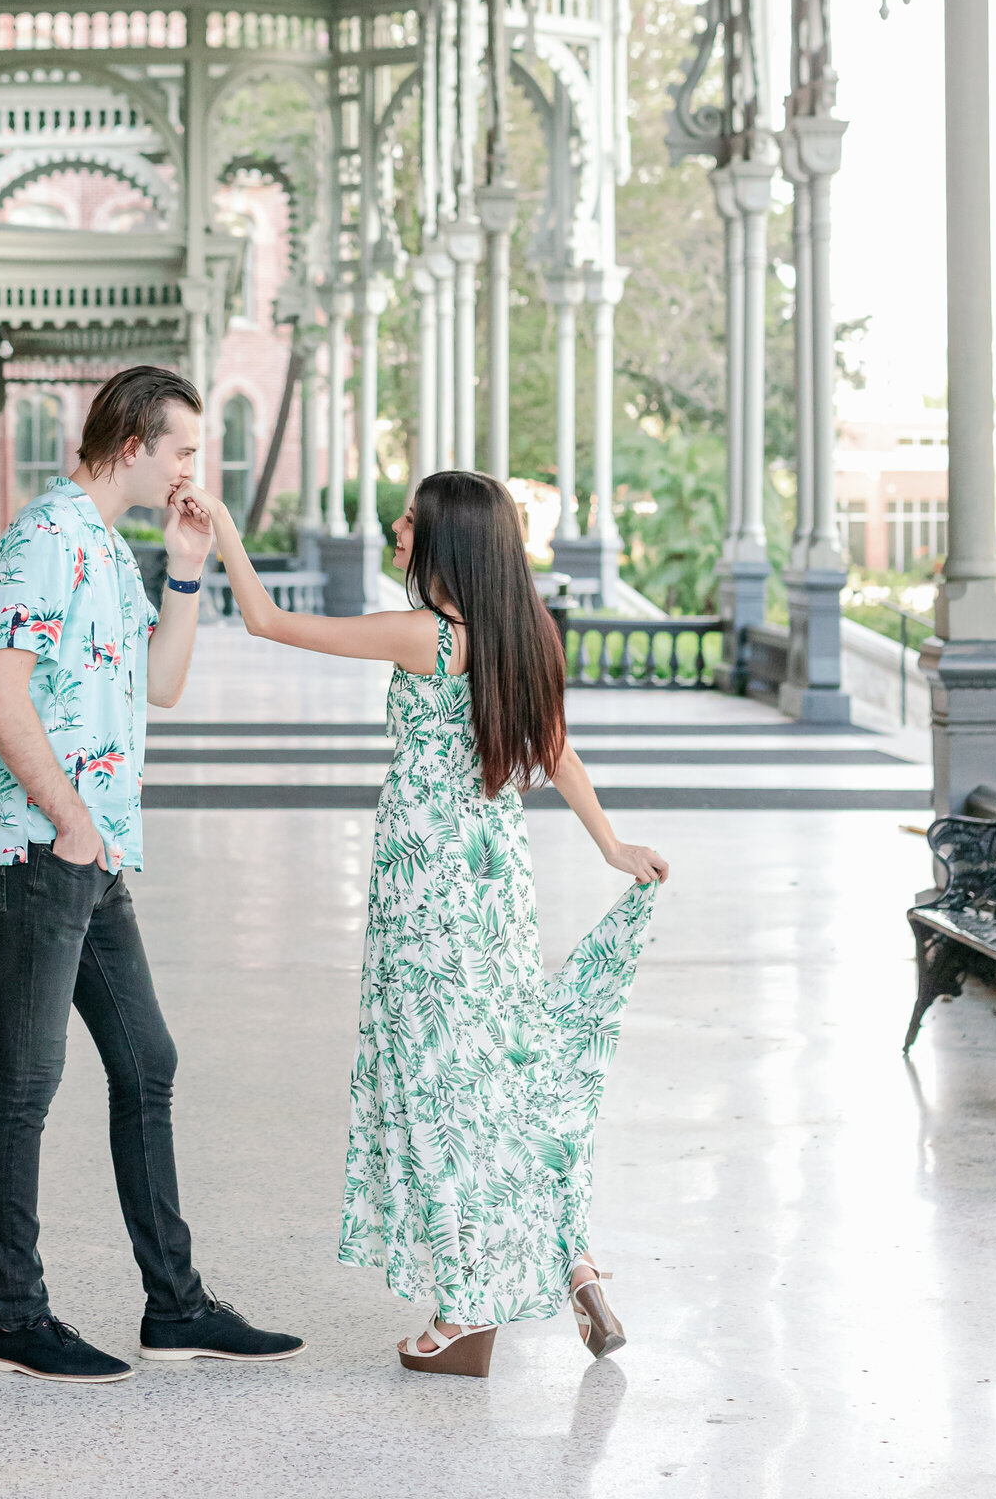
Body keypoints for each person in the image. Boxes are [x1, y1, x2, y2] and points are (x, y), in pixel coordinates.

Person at [192, 466, 668, 1378]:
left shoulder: (426, 635)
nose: (397, 530)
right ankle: (572, 1260)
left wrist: (222, 525)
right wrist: (608, 844)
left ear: (449, 541)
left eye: (412, 522)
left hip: (425, 886)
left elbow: (268, 620)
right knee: (500, 1071)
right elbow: (555, 749)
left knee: (436, 1091)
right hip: (496, 880)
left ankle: (463, 1310)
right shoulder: (517, 636)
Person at [0, 364, 304, 1383]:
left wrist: (186, 566)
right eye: (185, 450)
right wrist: (67, 820)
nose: (197, 468)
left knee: (145, 1063)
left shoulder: (109, 548)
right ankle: (16, 1322)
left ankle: (175, 1306)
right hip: (35, 846)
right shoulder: (45, 541)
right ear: (134, 444)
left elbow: (163, 685)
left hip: (89, 850)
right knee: (25, 1084)